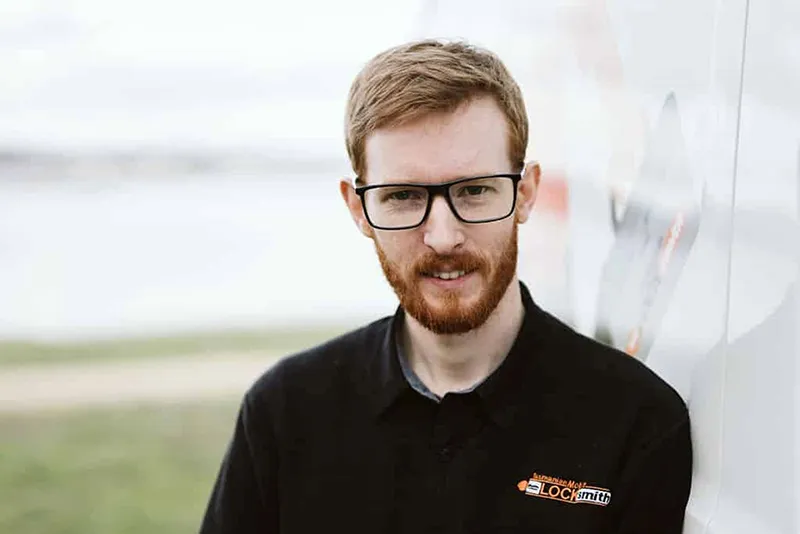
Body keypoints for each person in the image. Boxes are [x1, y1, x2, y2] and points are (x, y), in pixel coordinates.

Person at [199, 40, 692, 534]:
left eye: (474, 191)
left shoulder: (636, 422)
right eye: (403, 196)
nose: (443, 237)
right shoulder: (284, 414)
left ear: (525, 193)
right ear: (358, 209)